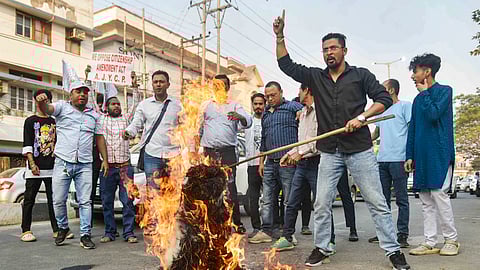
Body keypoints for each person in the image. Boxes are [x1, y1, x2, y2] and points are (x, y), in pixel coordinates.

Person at [273, 11, 410, 269]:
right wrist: (280, 36)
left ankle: (393, 251)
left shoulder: (361, 75)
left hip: (359, 149)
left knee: (377, 202)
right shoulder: (315, 76)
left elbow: (383, 99)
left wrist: (362, 117)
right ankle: (322, 247)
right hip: (330, 152)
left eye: (333, 47)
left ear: (344, 50)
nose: (329, 53)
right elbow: (286, 65)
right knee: (321, 202)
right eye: (325, 49)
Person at [36, 82, 109, 250]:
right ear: (71, 95)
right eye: (78, 92)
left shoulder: (94, 115)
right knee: (58, 200)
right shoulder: (62, 107)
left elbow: (99, 138)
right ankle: (63, 227)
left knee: (85, 201)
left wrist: (104, 159)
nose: (82, 95)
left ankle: (85, 234)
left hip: (85, 164)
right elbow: (48, 110)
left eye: (85, 92)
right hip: (63, 162)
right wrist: (42, 102)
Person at [405, 53, 459, 256]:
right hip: (422, 155)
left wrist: (426, 93)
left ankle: (451, 240)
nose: (412, 76)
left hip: (440, 153)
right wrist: (409, 155)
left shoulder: (445, 91)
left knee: (439, 194)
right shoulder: (417, 99)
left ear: (427, 71)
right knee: (426, 199)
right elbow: (413, 129)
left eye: (415, 71)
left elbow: (434, 114)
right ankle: (430, 242)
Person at [248, 81, 303, 244]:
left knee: (288, 200)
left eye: (273, 95)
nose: (270, 98)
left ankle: (288, 233)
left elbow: (307, 113)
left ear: (281, 92)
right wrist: (261, 162)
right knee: (267, 199)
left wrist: (302, 113)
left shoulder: (292, 107)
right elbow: (264, 140)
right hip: (270, 163)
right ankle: (266, 231)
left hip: (288, 162)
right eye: (267, 96)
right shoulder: (265, 113)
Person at [198, 74, 252, 234]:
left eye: (222, 85)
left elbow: (247, 122)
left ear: (228, 88)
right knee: (210, 189)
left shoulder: (235, 106)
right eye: (216, 85)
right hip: (209, 153)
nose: (219, 87)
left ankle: (236, 223)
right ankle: (212, 224)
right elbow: (197, 128)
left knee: (229, 189)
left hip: (228, 153)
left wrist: (240, 117)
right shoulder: (206, 105)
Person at [271, 84, 320, 250]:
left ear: (307, 91)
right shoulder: (304, 113)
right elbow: (301, 142)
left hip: (316, 163)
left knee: (321, 204)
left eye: (299, 90)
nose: (297, 94)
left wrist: (302, 153)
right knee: (291, 202)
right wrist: (289, 153)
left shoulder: (321, 111)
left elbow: (320, 141)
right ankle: (287, 237)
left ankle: (329, 241)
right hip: (302, 165)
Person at [369, 79, 412, 248]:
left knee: (401, 199)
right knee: (382, 200)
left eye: (384, 88)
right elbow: (376, 133)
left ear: (392, 90)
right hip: (382, 160)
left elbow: (412, 130)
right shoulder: (381, 111)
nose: (380, 91)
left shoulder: (404, 106)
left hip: (399, 159)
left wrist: (410, 156)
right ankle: (384, 234)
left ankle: (402, 235)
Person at [124, 70, 182, 186]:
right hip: (152, 154)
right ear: (152, 84)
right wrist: (129, 132)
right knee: (153, 192)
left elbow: (185, 127)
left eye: (161, 82)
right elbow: (136, 123)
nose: (158, 84)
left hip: (173, 154)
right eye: (155, 82)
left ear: (168, 84)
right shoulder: (144, 105)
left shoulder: (177, 105)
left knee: (173, 191)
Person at [98, 87, 140, 244]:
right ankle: (110, 232)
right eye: (113, 104)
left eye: (118, 104)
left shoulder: (126, 119)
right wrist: (88, 78)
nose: (116, 106)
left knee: (127, 201)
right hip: (107, 167)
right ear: (107, 107)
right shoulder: (101, 120)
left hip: (125, 167)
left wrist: (135, 86)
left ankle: (128, 232)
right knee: (106, 201)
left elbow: (136, 105)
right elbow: (92, 103)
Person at [20, 89, 63, 242]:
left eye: (46, 100)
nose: (42, 103)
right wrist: (31, 164)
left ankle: (57, 229)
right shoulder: (30, 121)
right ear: (35, 101)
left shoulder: (54, 121)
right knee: (29, 198)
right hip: (35, 167)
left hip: (53, 167)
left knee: (54, 199)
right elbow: (27, 144)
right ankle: (25, 230)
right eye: (40, 100)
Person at [244, 92, 266, 238]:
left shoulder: (269, 120)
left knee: (270, 198)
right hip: (251, 164)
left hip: (266, 164)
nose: (258, 106)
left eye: (260, 104)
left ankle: (270, 227)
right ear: (252, 105)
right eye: (255, 104)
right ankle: (256, 227)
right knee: (253, 198)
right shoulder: (247, 122)